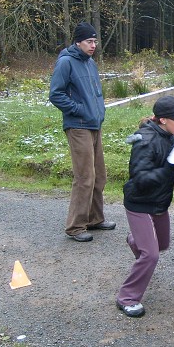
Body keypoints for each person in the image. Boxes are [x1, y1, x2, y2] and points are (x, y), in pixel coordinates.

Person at [116, 96, 174, 318]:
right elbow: (140, 178)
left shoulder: (170, 135)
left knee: (162, 244)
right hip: (139, 203)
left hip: (159, 202)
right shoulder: (146, 141)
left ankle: (135, 239)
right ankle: (127, 297)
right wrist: (169, 168)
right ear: (163, 119)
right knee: (151, 255)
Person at [49, 22, 115, 242]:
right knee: (85, 177)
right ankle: (76, 226)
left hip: (94, 124)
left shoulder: (90, 63)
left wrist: (98, 111)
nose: (93, 45)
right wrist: (78, 110)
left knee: (99, 175)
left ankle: (95, 218)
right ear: (78, 42)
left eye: (95, 41)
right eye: (89, 41)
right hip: (78, 126)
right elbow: (56, 94)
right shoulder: (66, 63)